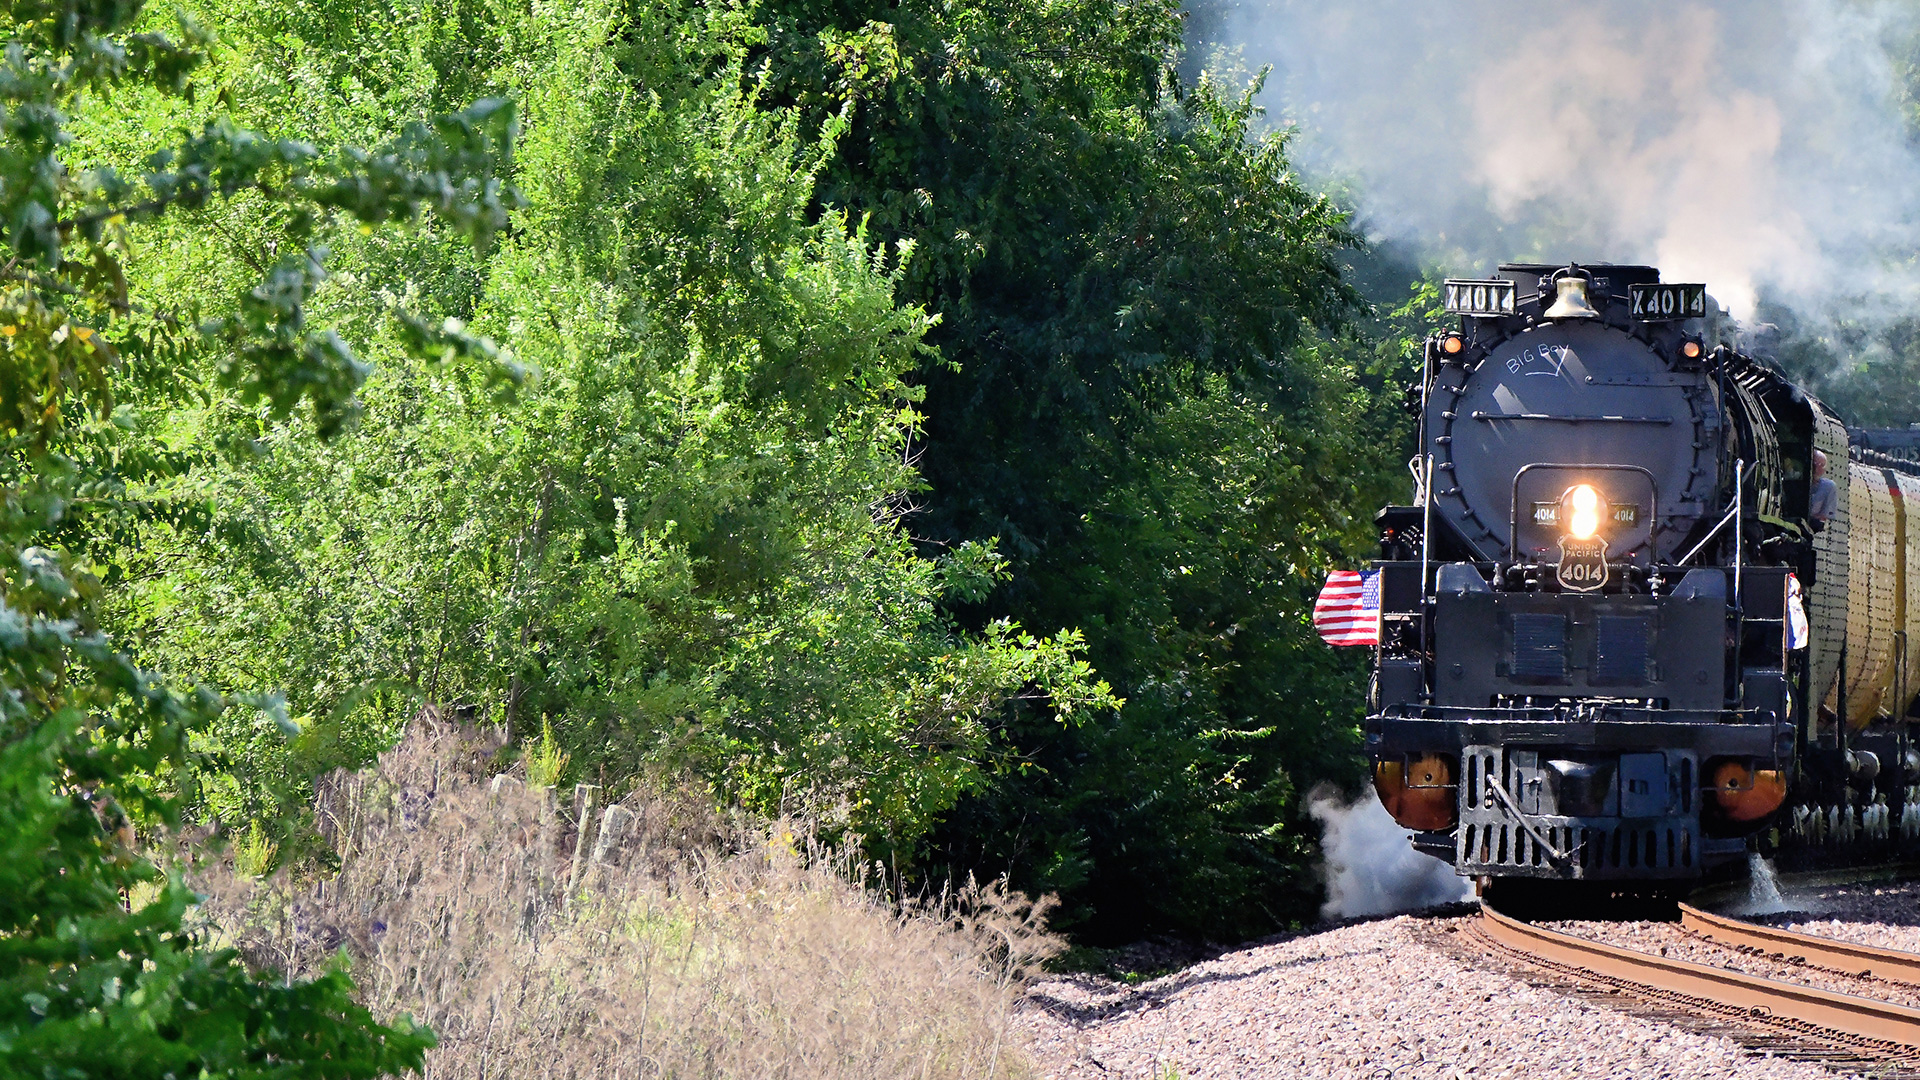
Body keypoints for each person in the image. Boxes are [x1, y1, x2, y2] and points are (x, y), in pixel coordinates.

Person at [1808, 449, 1838, 531]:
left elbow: (1824, 517)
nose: (1817, 468)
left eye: (1822, 465)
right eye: (1815, 464)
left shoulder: (1828, 487)